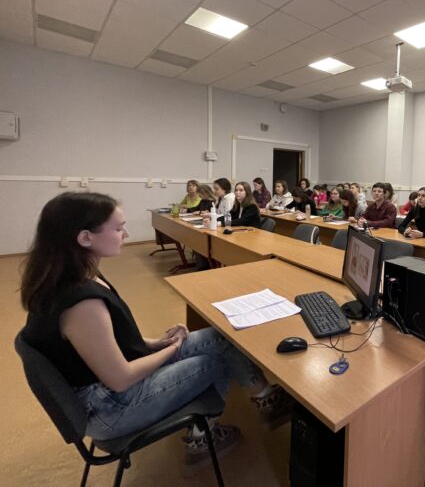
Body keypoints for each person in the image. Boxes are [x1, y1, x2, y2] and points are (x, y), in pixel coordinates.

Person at [19, 193, 289, 474]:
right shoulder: (81, 304)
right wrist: (172, 349)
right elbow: (120, 378)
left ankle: (267, 399)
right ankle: (201, 440)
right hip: (109, 407)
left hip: (106, 388)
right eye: (118, 228)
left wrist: (159, 342)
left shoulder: (77, 274)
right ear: (85, 238)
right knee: (213, 363)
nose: (126, 234)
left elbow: (113, 341)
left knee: (219, 336)